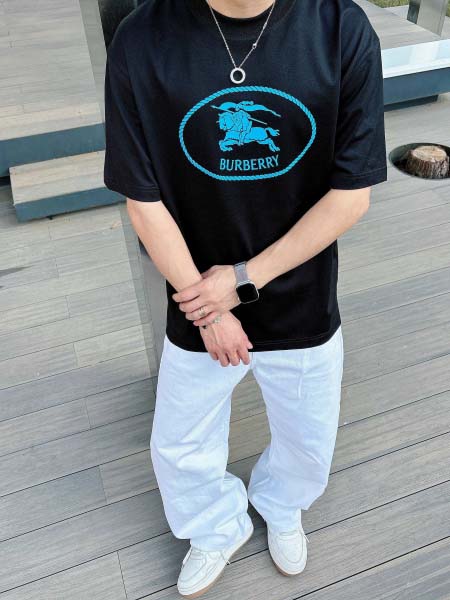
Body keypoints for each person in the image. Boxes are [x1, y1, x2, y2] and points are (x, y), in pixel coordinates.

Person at [103, 0, 388, 596]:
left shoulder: (340, 28)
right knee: (180, 441)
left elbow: (351, 194)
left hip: (301, 295)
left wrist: (240, 281)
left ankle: (281, 504)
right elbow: (142, 200)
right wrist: (208, 309)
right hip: (195, 296)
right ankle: (215, 525)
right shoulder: (142, 39)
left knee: (308, 437)